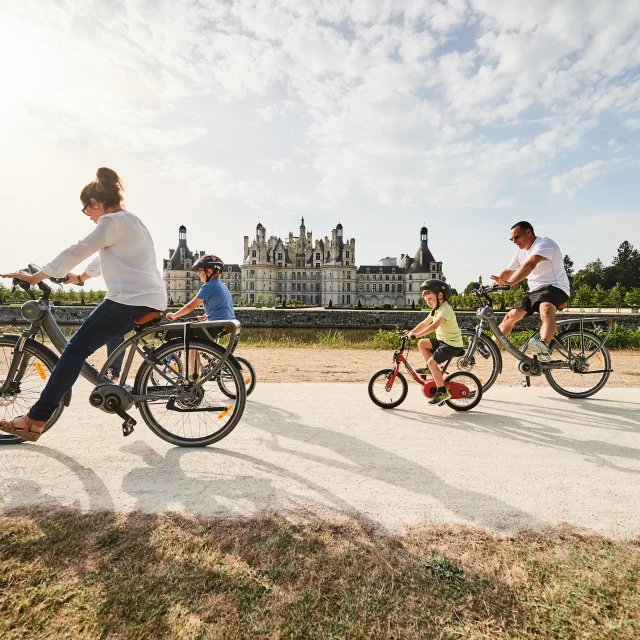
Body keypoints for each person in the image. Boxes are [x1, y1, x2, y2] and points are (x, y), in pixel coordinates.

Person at [0, 167, 167, 441]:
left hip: (129, 300)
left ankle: (35, 419)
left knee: (74, 350)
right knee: (79, 348)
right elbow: (103, 256)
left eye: (86, 209)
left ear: (95, 202)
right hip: (146, 299)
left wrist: (37, 276)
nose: (87, 216)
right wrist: (79, 278)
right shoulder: (129, 221)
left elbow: (79, 248)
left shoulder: (110, 222)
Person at [491, 221, 570, 362]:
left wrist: (511, 283)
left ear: (529, 232)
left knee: (545, 309)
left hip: (555, 286)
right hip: (534, 291)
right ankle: (490, 346)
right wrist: (491, 288)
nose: (514, 241)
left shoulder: (544, 244)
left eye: (517, 237)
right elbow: (508, 271)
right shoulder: (520, 252)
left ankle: (544, 347)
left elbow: (530, 264)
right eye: (512, 239)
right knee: (511, 316)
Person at [165, 254, 235, 376]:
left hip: (215, 325)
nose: (198, 274)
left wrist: (175, 315)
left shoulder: (208, 286)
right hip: (224, 323)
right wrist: (204, 317)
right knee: (196, 334)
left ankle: (193, 377)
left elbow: (190, 306)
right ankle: (200, 369)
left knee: (192, 345)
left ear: (209, 271)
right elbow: (219, 308)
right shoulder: (221, 286)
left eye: (200, 271)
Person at [408, 279, 464, 406]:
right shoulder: (436, 310)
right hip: (443, 341)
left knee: (432, 362)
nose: (428, 302)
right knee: (422, 343)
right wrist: (411, 332)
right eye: (426, 300)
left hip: (452, 344)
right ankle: (430, 369)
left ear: (440, 296)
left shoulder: (445, 309)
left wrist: (416, 335)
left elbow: (433, 326)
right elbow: (424, 323)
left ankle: (442, 391)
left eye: (430, 299)